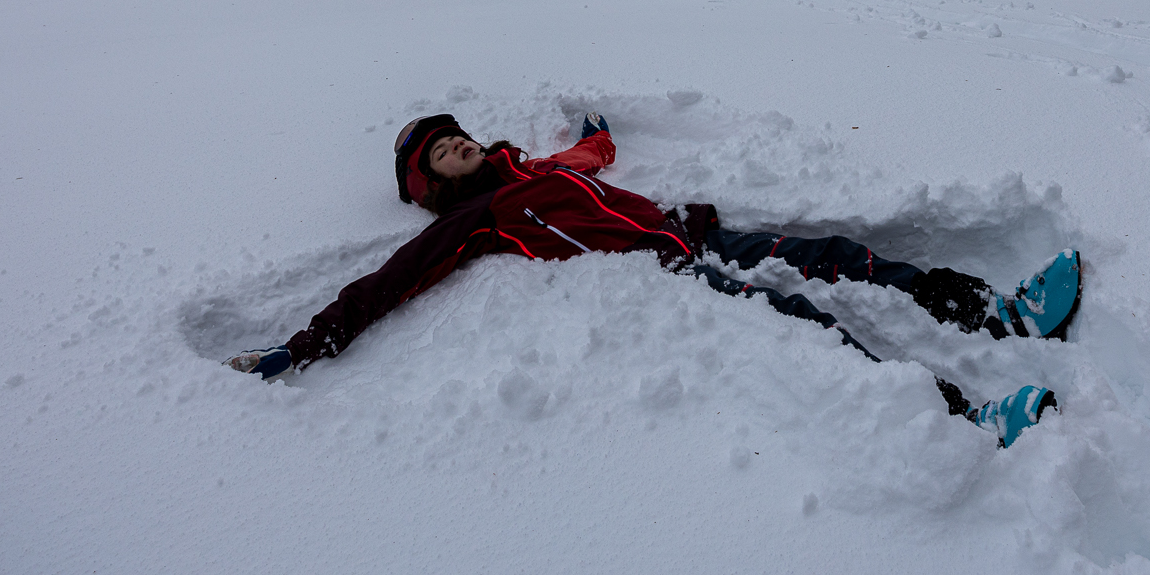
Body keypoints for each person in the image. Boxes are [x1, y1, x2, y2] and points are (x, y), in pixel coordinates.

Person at [228, 112, 1081, 447]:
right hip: (663, 272)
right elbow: (389, 279)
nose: (454, 147)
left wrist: (596, 131)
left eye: (453, 136)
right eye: (436, 155)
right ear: (434, 187)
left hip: (694, 230)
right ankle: (967, 420)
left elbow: (593, 156)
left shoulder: (535, 164)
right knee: (811, 324)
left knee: (838, 256)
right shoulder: (472, 220)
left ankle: (1000, 316)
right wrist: (310, 341)